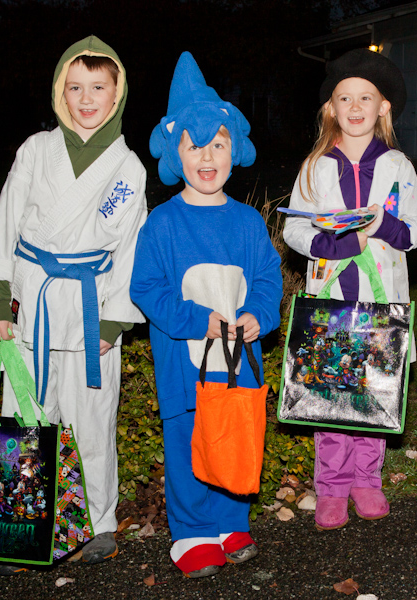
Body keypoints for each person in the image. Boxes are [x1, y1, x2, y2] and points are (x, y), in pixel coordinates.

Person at [0, 36, 147, 571]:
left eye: (98, 87)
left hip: (93, 310)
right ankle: (20, 518)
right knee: (24, 413)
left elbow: (129, 247)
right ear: (59, 93)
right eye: (75, 87)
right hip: (33, 305)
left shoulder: (128, 167)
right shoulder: (35, 150)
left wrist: (114, 320)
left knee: (92, 419)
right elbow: (5, 221)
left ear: (116, 94)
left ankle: (97, 522)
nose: (86, 98)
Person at [130, 52, 282, 579]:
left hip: (239, 362)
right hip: (184, 362)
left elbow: (267, 278)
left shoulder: (246, 222)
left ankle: (229, 521)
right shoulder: (162, 224)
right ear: (177, 154)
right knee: (189, 441)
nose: (208, 157)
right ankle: (192, 531)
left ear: (233, 149)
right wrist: (199, 320)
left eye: (218, 145)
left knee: (236, 435)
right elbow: (145, 288)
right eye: (195, 147)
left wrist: (260, 313)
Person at [283, 49, 417, 531]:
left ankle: (368, 480)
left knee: (373, 391)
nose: (354, 106)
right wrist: (325, 241)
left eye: (365, 97)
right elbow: (294, 230)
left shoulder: (398, 167)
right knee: (332, 394)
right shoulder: (316, 166)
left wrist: (385, 224)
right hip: (334, 296)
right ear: (330, 107)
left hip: (380, 295)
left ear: (383, 107)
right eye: (344, 97)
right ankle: (331, 486)